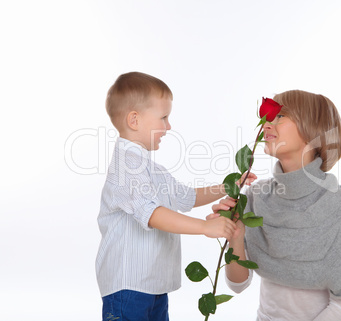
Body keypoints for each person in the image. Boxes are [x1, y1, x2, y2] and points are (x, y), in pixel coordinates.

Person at [95, 72, 256, 321]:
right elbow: (153, 214)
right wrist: (204, 226)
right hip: (129, 286)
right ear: (134, 120)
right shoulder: (127, 165)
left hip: (153, 285)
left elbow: (184, 196)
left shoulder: (151, 169)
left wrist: (228, 186)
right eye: (163, 117)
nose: (169, 126)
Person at [212, 90, 341, 320]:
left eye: (280, 116)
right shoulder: (257, 195)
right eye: (269, 117)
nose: (267, 123)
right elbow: (238, 285)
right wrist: (235, 236)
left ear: (312, 129)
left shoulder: (338, 205)